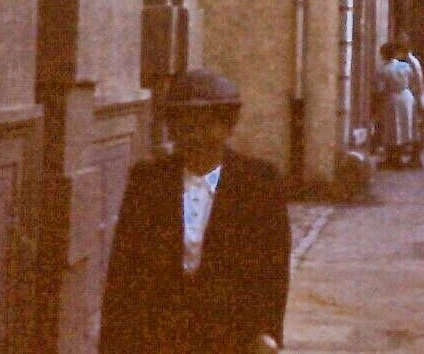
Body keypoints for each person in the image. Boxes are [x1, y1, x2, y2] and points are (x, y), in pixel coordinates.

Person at [100, 69, 290, 353]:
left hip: (230, 331)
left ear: (228, 126)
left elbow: (272, 267)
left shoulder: (258, 182)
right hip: (159, 331)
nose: (196, 136)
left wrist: (267, 331)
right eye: (185, 126)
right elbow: (124, 266)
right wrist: (114, 339)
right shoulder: (148, 181)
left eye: (207, 125)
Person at [374, 42, 417, 169]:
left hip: (392, 98)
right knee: (404, 127)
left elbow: (380, 88)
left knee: (392, 128)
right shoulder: (404, 66)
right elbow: (413, 80)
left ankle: (393, 158)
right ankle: (400, 156)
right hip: (406, 96)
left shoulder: (383, 69)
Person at [397, 32, 424, 162]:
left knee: (416, 128)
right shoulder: (410, 61)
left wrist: (415, 97)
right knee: (413, 128)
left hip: (415, 98)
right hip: (415, 96)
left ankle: (415, 158)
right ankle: (414, 157)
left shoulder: (410, 62)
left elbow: (416, 82)